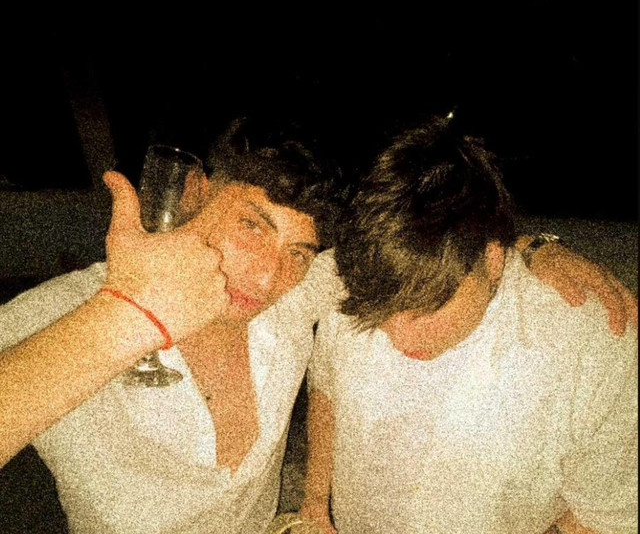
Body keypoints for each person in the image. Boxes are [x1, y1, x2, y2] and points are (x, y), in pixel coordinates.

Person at [0, 116, 635, 534]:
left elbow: (426, 251)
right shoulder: (66, 314)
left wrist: (533, 246)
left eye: (299, 252)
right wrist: (127, 316)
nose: (267, 275)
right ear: (193, 190)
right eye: (252, 226)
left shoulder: (297, 293)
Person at [300, 118, 637, 534]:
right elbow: (327, 384)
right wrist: (314, 503)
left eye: (427, 309)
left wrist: (537, 246)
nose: (399, 337)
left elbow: (603, 518)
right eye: (382, 315)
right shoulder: (358, 274)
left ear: (492, 260)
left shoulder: (590, 346)